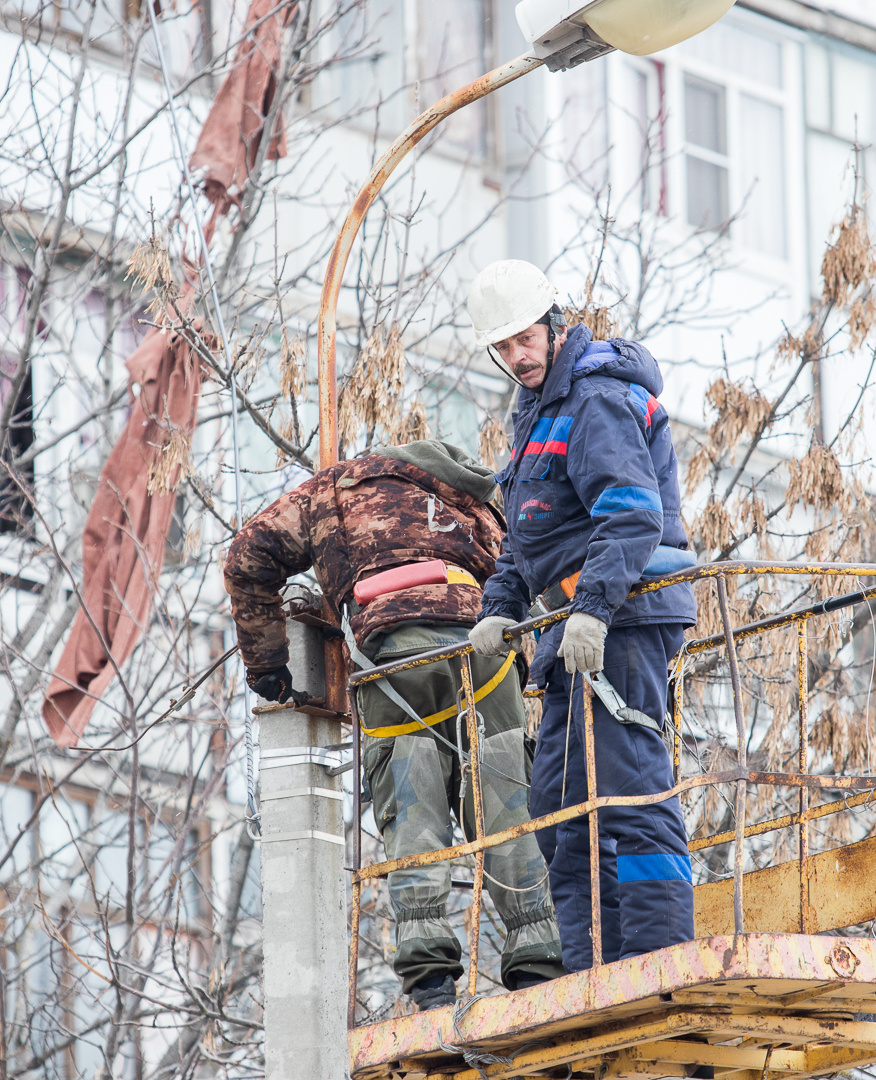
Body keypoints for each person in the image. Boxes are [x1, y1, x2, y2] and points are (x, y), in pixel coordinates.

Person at [224, 439, 565, 1011]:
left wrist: (269, 667)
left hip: (392, 653)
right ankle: (537, 964)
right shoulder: (477, 500)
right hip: (485, 653)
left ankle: (430, 977)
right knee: (504, 797)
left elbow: (246, 559)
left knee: (413, 805)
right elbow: (540, 578)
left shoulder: (334, 489)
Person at [465, 260, 699, 973]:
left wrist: (592, 611)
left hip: (623, 614)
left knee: (630, 788)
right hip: (577, 625)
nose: (517, 357)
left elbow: (631, 515)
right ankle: (589, 966)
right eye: (502, 348)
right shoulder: (537, 412)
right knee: (562, 808)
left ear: (554, 324)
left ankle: (654, 960)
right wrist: (499, 607)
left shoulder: (594, 397)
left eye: (525, 339)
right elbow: (532, 532)